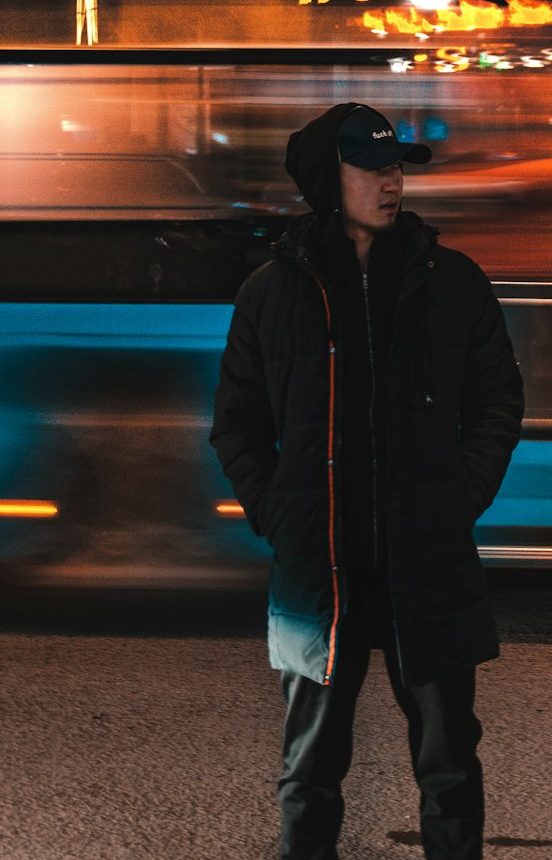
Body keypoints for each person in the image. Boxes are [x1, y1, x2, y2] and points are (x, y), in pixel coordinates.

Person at [210, 101, 524, 860]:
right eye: (373, 169)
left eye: (397, 170)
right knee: (310, 773)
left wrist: (457, 500)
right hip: (321, 570)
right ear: (330, 178)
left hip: (427, 560)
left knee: (449, 770)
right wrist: (278, 514)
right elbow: (237, 424)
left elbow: (497, 403)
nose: (391, 184)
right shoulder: (271, 295)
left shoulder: (452, 282)